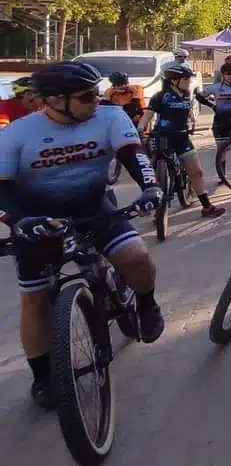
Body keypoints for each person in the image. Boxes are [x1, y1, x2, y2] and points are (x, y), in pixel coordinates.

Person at [0, 61, 166, 408]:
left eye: (97, 92)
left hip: (93, 206)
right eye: (87, 96)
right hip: (36, 217)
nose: (98, 101)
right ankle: (42, 375)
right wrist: (17, 222)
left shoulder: (109, 117)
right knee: (34, 300)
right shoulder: (17, 134)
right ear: (56, 101)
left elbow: (134, 156)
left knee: (137, 257)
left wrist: (151, 188)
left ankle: (147, 305)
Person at [139, 64, 226, 217]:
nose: (189, 82)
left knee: (197, 172)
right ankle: (148, 201)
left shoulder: (186, 95)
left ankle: (207, 206)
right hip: (162, 136)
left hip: (182, 137)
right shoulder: (160, 96)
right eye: (186, 79)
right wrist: (140, 129)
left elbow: (188, 112)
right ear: (174, 81)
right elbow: (148, 115)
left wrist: (193, 122)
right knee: (150, 169)